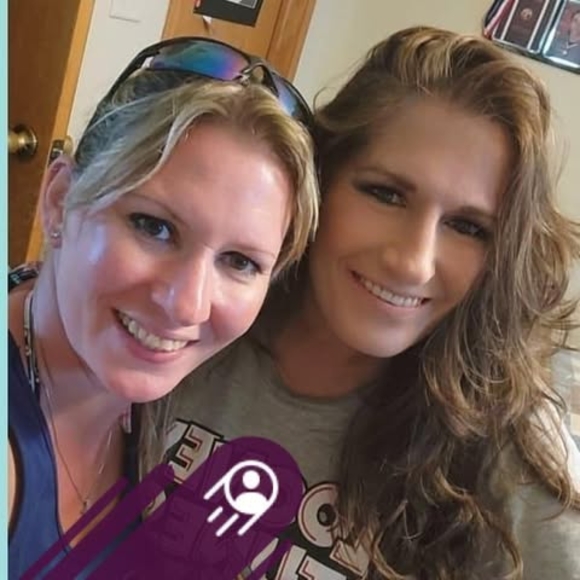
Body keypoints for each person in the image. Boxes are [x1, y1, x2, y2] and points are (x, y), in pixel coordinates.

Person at [166, 27, 580, 579]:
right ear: (319, 179)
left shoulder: (510, 450)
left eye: (468, 227)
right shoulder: (191, 324)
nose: (413, 262)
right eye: (386, 194)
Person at [8, 38, 319, 578]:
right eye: (153, 226)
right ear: (58, 200)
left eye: (240, 262)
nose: (187, 304)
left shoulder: (164, 408)